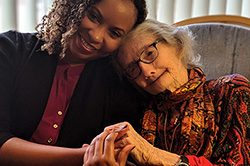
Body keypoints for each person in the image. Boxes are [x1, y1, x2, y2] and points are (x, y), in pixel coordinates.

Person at [83, 19, 250, 165]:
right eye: (133, 68)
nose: (146, 72)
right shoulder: (140, 113)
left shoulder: (231, 90)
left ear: (176, 44)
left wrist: (151, 154)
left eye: (149, 53)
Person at [0, 0, 148, 165]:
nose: (96, 36)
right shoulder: (9, 49)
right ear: (73, 5)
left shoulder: (119, 84)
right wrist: (84, 155)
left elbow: (119, 151)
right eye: (93, 16)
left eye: (114, 33)